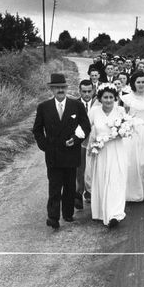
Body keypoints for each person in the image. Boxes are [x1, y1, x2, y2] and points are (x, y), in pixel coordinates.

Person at [32, 73, 92, 229]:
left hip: (71, 152)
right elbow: (37, 130)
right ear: (52, 89)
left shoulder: (76, 106)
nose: (60, 90)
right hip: (53, 154)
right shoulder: (43, 107)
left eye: (62, 87)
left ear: (66, 88)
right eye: (56, 87)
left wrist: (76, 139)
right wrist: (45, 145)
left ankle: (67, 213)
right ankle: (53, 217)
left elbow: (86, 126)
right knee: (54, 187)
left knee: (70, 185)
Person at [87, 84, 129, 228]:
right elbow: (87, 128)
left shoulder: (120, 110)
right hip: (101, 151)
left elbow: (128, 128)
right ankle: (100, 211)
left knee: (116, 180)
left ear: (115, 98)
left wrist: (122, 132)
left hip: (116, 149)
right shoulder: (94, 111)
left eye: (111, 97)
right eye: (105, 97)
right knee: (102, 178)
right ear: (100, 98)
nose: (108, 100)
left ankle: (115, 214)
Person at [121, 71, 144, 200]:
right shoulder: (128, 98)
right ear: (134, 83)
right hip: (133, 133)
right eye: (138, 82)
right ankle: (134, 191)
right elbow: (124, 116)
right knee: (133, 163)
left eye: (143, 82)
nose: (141, 84)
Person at [76, 79, 99, 207]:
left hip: (94, 141)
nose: (87, 94)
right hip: (80, 142)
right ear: (79, 91)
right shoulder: (74, 104)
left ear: (93, 91)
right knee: (80, 168)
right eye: (84, 91)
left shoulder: (98, 104)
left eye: (89, 91)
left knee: (93, 167)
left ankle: (90, 191)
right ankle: (79, 193)